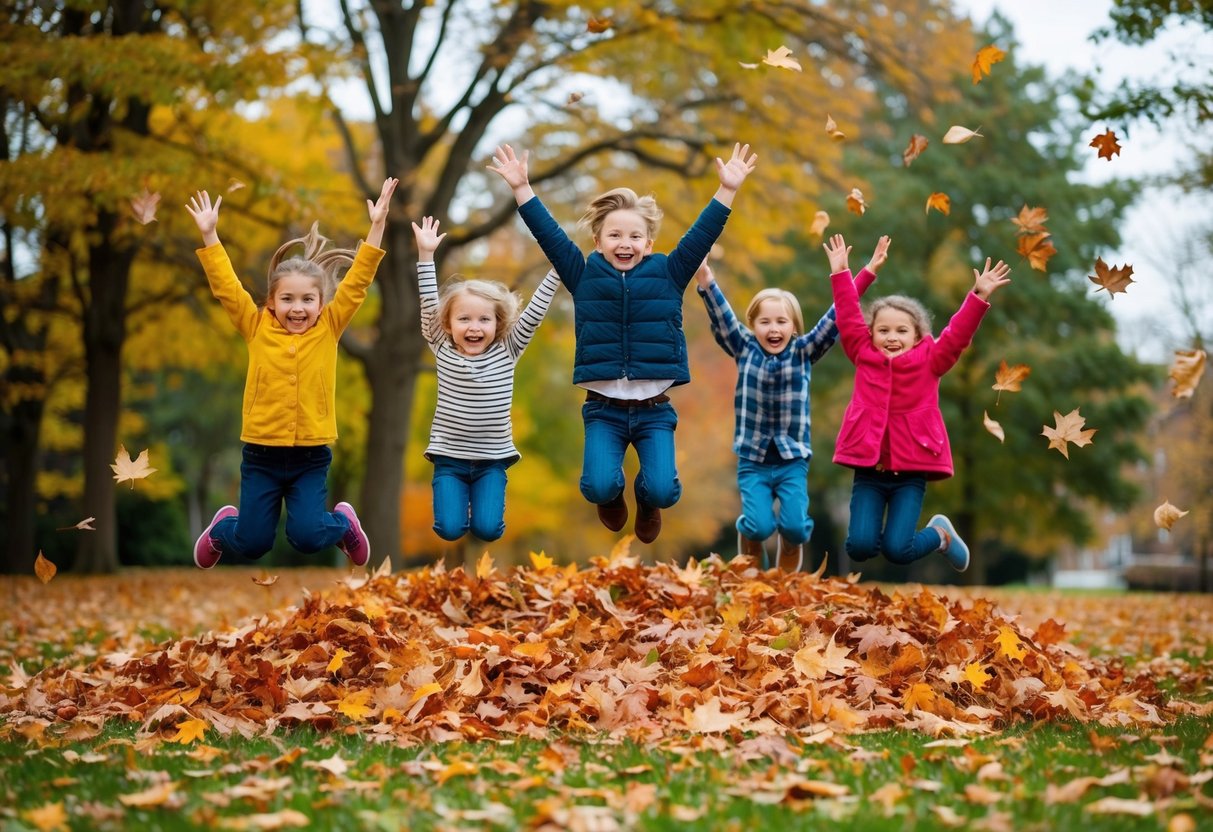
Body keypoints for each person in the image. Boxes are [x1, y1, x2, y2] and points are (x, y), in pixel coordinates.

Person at [487, 142, 758, 543]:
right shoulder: (582, 275)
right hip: (603, 410)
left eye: (635, 236)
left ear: (649, 244)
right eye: (615, 235)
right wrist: (522, 189)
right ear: (598, 242)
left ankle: (648, 501)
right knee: (596, 485)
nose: (625, 243)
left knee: (664, 489)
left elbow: (701, 235)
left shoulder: (670, 272)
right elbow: (549, 235)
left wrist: (727, 191)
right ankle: (609, 495)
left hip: (654, 411)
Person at [186, 177, 399, 569]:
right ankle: (220, 530)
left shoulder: (330, 328)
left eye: (307, 299)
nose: (297, 308)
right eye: (287, 298)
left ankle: (344, 524)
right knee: (251, 543)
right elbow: (227, 288)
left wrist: (377, 226)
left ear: (321, 303)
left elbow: (358, 283)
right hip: (261, 455)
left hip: (310, 456)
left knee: (307, 537)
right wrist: (210, 235)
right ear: (271, 301)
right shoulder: (255, 326)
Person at [694, 238, 886, 572]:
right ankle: (750, 541)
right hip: (752, 459)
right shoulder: (743, 347)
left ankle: (791, 545)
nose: (773, 328)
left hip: (792, 459)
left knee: (795, 526)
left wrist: (863, 273)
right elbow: (723, 315)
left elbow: (837, 315)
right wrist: (705, 276)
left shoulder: (804, 351)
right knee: (758, 526)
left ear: (794, 327)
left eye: (781, 322)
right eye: (765, 322)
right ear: (753, 326)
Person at [825, 233, 1011, 573]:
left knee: (898, 549)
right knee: (859, 546)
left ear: (917, 336)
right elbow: (848, 316)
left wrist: (978, 295)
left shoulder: (932, 360)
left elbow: (957, 335)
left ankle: (940, 535)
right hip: (869, 471)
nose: (891, 338)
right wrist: (841, 274)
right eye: (883, 331)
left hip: (910, 471)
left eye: (901, 331)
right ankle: (900, 535)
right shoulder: (863, 354)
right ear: (872, 334)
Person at [412, 215, 561, 542]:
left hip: (492, 462)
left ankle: (483, 510)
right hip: (450, 459)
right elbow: (427, 303)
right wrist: (426, 256)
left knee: (488, 530)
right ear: (449, 325)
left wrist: (557, 267)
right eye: (464, 319)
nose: (474, 327)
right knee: (449, 530)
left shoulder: (507, 349)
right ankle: (453, 508)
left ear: (498, 324)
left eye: (484, 319)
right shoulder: (442, 347)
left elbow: (534, 314)